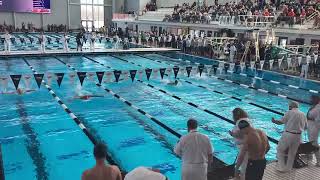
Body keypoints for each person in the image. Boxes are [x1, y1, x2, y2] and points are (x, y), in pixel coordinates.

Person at [271, 101, 307, 172]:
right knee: (292, 153)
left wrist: (274, 121)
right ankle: (288, 168)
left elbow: (281, 122)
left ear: (291, 106)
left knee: (280, 150)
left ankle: (282, 168)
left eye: (289, 106)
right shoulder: (303, 114)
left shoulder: (289, 112)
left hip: (289, 134)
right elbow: (306, 127)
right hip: (298, 136)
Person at [229, 108, 251, 180]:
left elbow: (243, 135)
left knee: (244, 164)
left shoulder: (241, 122)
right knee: (245, 164)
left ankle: (242, 177)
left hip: (244, 146)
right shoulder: (246, 120)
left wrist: (232, 134)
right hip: (246, 146)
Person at [307, 95, 320, 166]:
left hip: (314, 127)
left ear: (316, 100)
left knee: (314, 143)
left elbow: (318, 119)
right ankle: (310, 156)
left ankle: (319, 160)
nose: (310, 100)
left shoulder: (318, 108)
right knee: (311, 142)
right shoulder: (314, 107)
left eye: (312, 99)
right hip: (311, 126)